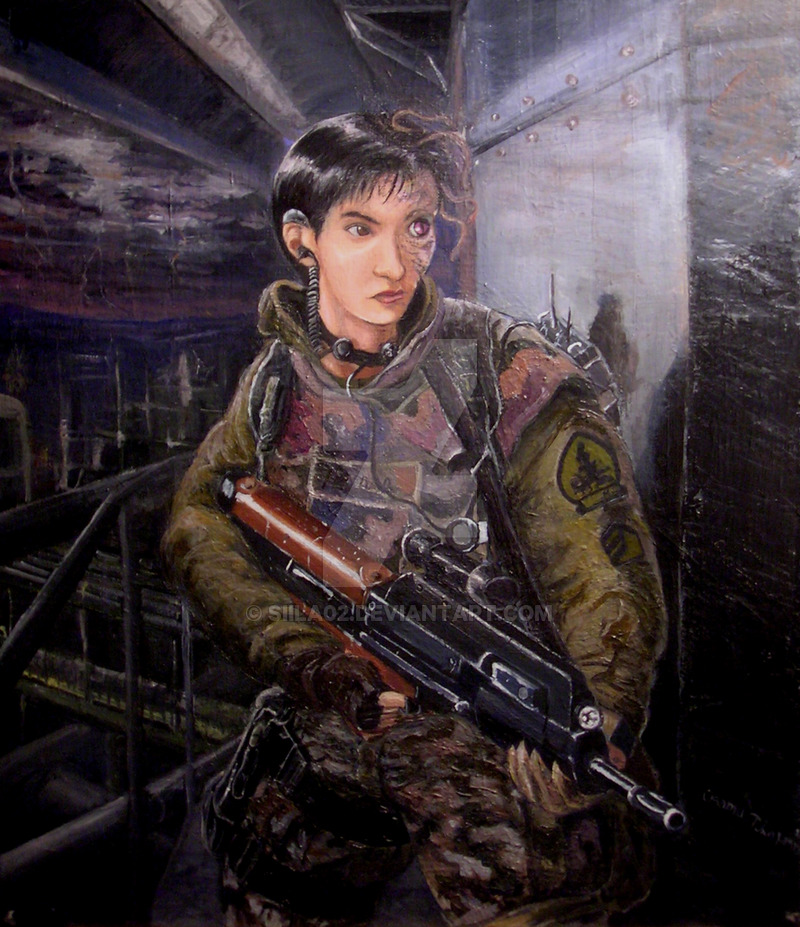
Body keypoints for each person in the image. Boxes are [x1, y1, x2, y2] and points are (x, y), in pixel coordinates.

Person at [162, 111, 667, 927]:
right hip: (345, 711)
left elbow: (600, 565)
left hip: (494, 740)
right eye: (361, 227)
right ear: (303, 242)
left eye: (418, 227)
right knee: (267, 875)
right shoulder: (276, 382)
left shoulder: (506, 371)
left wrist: (601, 713)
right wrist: (304, 658)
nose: (395, 263)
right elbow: (199, 519)